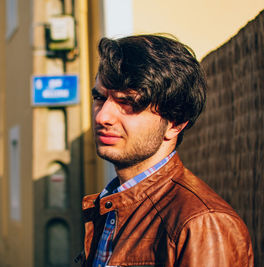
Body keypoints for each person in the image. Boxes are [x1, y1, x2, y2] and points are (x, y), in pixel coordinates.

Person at [78, 35, 254, 266]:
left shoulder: (203, 223)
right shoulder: (112, 204)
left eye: (128, 103)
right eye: (100, 98)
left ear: (175, 123)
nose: (103, 117)